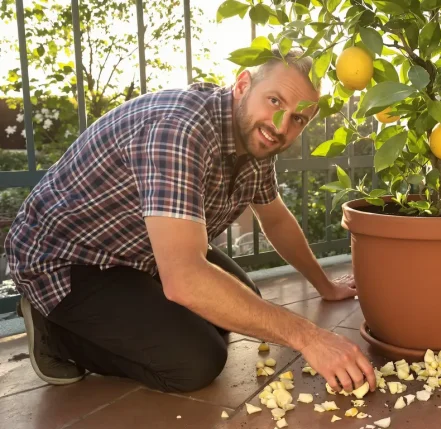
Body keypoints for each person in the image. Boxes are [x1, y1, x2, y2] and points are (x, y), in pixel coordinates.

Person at [4, 48, 376, 394]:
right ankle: (55, 332)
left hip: (140, 250)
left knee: (242, 302)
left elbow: (275, 219)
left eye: (298, 118)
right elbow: (185, 280)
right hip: (68, 260)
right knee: (196, 361)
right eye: (275, 100)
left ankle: (142, 298)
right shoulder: (180, 128)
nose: (281, 126)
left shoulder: (256, 139)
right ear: (243, 85)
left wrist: (324, 285)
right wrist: (309, 337)